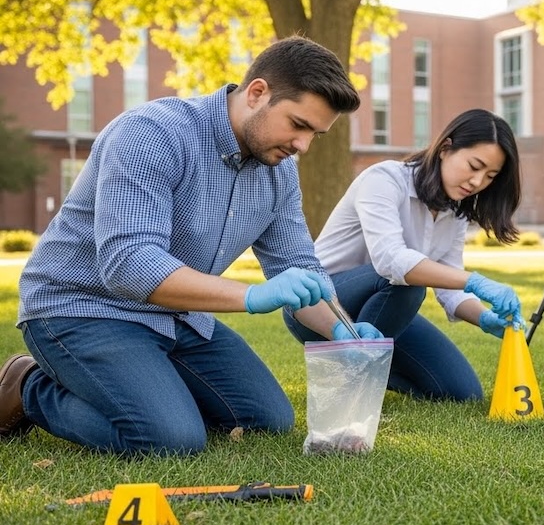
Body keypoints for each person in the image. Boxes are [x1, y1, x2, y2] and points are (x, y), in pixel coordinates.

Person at [1, 36, 382, 456]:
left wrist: (342, 331)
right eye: (298, 124)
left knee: (267, 422)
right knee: (169, 440)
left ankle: (152, 389)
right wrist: (252, 295)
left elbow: (298, 265)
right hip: (83, 308)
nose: (303, 146)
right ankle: (29, 385)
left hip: (177, 316)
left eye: (317, 135)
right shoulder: (152, 134)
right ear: (257, 93)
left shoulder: (280, 172)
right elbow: (129, 263)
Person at [285, 109, 524, 401]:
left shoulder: (455, 212)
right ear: (445, 148)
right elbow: (391, 262)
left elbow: (451, 292)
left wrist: (486, 319)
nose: (477, 182)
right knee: (406, 283)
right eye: (474, 166)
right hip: (318, 305)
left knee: (462, 392)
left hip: (385, 307)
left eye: (490, 176)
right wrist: (474, 280)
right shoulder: (384, 179)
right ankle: (351, 384)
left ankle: (366, 371)